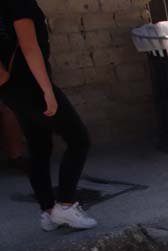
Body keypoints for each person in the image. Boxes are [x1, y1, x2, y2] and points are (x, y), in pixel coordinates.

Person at [0, 0, 96, 230]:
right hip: (31, 86)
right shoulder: (19, 5)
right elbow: (29, 47)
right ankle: (65, 205)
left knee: (39, 147)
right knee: (79, 140)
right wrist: (47, 91)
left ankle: (48, 211)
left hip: (10, 90)